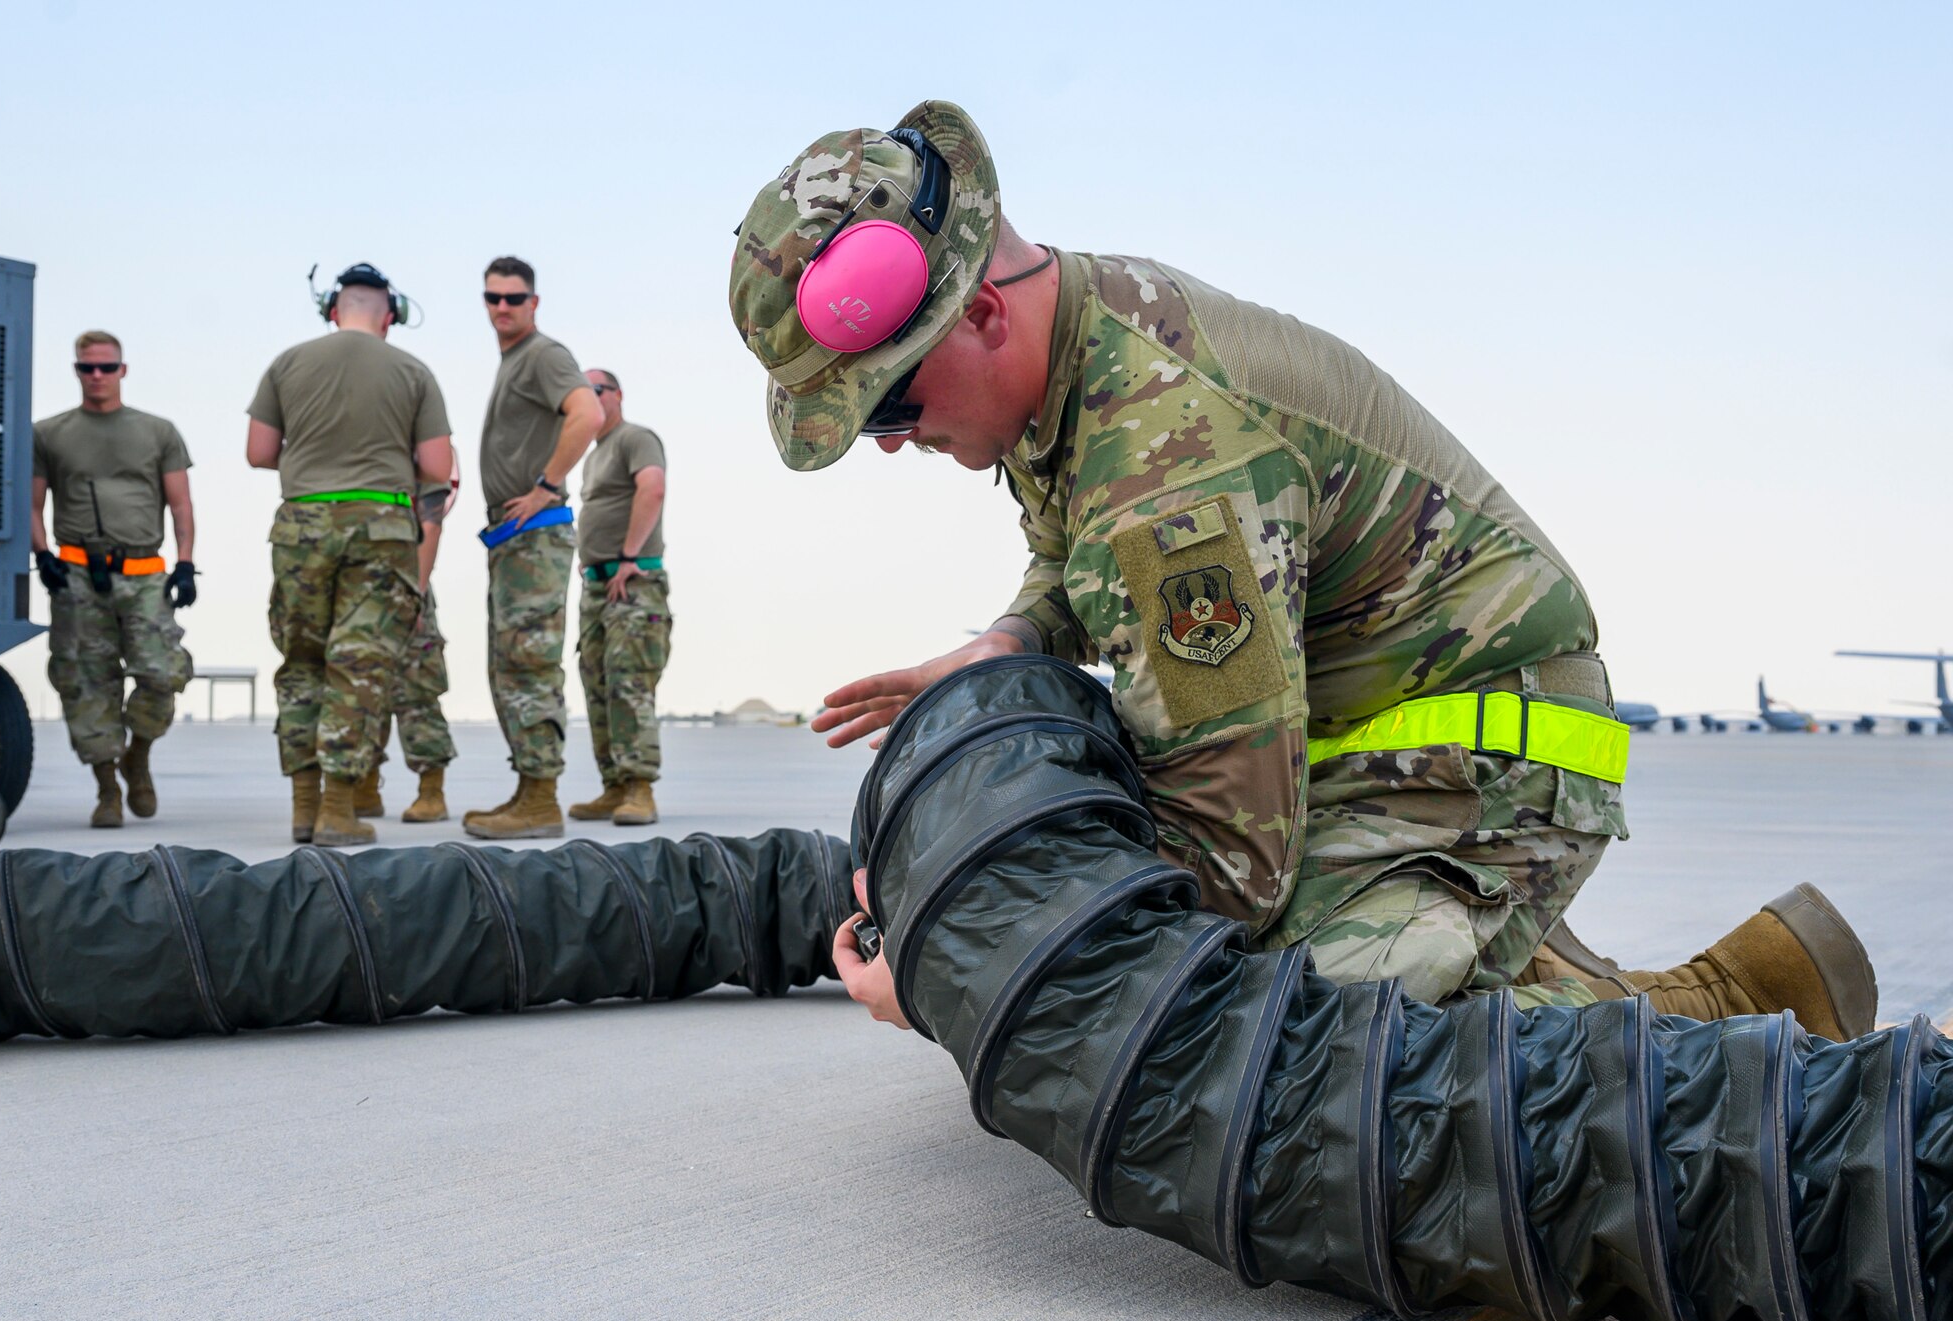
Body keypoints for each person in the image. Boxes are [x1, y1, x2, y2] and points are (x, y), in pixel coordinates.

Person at [727, 101, 1878, 1039]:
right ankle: (1639, 966)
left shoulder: (1168, 480)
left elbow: (1229, 862)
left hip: (1489, 748)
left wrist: (960, 974)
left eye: (889, 401)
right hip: (1368, 724)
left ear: (977, 310)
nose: (887, 440)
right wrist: (1012, 640)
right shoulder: (1081, 332)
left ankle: (1707, 1017)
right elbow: (1062, 546)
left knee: (1287, 1026)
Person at [247, 263, 451, 846]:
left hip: (302, 521)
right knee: (358, 663)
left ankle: (303, 806)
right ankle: (339, 808)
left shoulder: (287, 363)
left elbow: (259, 452)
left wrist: (314, 452)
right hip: (380, 523)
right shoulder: (412, 370)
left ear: (333, 310)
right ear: (390, 315)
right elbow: (438, 468)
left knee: (302, 661)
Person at [31, 330, 197, 828]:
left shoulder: (157, 431)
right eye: (87, 368)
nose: (97, 376)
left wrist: (185, 564)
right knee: (85, 680)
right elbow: (32, 502)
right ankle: (107, 789)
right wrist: (43, 555)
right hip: (78, 574)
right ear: (77, 371)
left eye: (106, 367)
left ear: (123, 370)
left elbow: (181, 502)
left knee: (162, 672)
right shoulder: (50, 433)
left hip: (144, 573)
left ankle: (138, 754)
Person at [465, 256, 601, 840]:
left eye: (513, 298)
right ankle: (528, 790)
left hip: (534, 533)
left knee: (526, 663)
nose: (502, 307)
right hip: (514, 537)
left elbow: (588, 413)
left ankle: (540, 800)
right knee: (509, 663)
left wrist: (545, 487)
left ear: (534, 303)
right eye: (492, 297)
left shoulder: (543, 354)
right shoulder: (514, 360)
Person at [569, 369, 671, 825]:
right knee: (596, 683)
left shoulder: (635, 438)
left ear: (617, 395)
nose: (589, 398)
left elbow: (653, 488)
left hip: (632, 583)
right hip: (597, 585)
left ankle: (638, 788)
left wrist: (629, 554)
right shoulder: (593, 456)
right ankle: (613, 785)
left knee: (629, 682)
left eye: (596, 390)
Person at [371, 447, 462, 823]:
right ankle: (361, 782)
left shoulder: (423, 442)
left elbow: (438, 503)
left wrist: (417, 589)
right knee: (356, 684)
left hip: (408, 572)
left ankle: (431, 789)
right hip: (354, 571)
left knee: (416, 685)